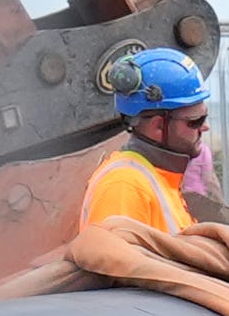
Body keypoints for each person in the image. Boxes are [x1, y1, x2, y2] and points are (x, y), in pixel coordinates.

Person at [78, 45, 212, 235]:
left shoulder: (158, 178)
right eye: (195, 121)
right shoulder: (124, 186)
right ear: (158, 126)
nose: (205, 127)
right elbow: (115, 262)